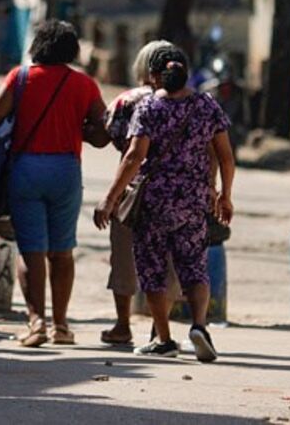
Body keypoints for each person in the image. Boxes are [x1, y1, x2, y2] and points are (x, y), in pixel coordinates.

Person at [95, 44, 235, 362]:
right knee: (194, 267)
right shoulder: (207, 105)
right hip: (194, 202)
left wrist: (110, 198)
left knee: (154, 270)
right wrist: (224, 195)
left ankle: (165, 338)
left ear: (155, 77)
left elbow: (134, 157)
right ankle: (199, 326)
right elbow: (226, 157)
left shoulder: (147, 109)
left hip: (154, 204)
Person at [0, 19, 110, 347]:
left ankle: (36, 322)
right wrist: (80, 129)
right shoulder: (84, 85)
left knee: (31, 251)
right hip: (66, 170)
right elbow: (103, 134)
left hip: (26, 169)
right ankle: (61, 325)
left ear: (37, 45)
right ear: (72, 49)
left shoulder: (21, 77)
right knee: (62, 251)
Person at [100, 40, 181, 346]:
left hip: (132, 190)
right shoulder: (191, 101)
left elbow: (114, 138)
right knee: (168, 260)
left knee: (124, 256)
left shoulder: (127, 101)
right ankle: (159, 328)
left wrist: (110, 197)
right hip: (175, 193)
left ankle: (123, 325)